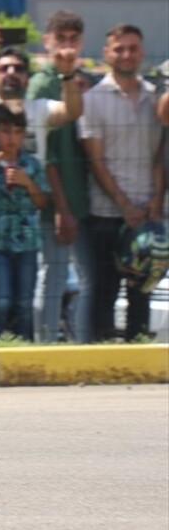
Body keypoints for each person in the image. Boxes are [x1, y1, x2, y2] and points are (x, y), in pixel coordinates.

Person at [80, 24, 166, 341]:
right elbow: (95, 161)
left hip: (148, 212)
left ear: (142, 52)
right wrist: (124, 205)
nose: (126, 55)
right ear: (106, 53)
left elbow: (159, 154)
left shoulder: (154, 98)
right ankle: (100, 356)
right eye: (119, 49)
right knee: (104, 288)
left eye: (132, 48)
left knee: (142, 291)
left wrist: (156, 200)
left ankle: (138, 351)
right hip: (106, 213)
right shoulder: (92, 100)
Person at [27, 10, 93, 342]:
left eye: (73, 40)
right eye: (60, 39)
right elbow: (45, 156)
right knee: (52, 275)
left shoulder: (79, 79)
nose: (67, 46)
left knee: (84, 279)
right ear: (47, 40)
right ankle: (46, 345)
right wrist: (61, 208)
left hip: (81, 197)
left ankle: (83, 344)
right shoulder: (42, 83)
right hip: (55, 202)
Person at [0, 105, 47, 339]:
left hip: (28, 243)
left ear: (23, 134)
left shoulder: (32, 164)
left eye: (17, 131)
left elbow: (42, 201)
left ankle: (22, 352)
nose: (11, 138)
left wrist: (28, 183)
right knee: (1, 301)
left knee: (24, 303)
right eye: (5, 131)